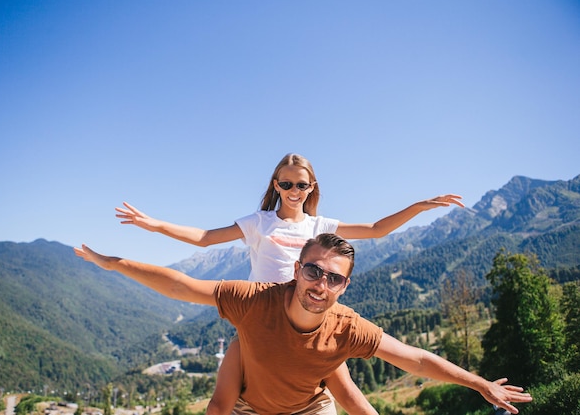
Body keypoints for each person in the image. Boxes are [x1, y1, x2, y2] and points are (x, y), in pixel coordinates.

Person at [115, 153, 465, 415]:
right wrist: (155, 225)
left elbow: (375, 230)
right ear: (275, 185)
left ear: (311, 187)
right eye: (286, 184)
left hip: (310, 317)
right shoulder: (259, 223)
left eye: (301, 184)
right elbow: (206, 238)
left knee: (349, 394)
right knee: (224, 401)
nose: (293, 191)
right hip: (261, 319)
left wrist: (418, 206)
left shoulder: (320, 226)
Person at [73, 233, 532, 415]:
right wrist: (113, 263)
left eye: (334, 278)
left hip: (310, 411)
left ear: (343, 288)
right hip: (250, 410)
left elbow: (413, 357)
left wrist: (479, 384)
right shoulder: (253, 302)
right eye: (313, 271)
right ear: (296, 270)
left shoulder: (348, 327)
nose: (320, 284)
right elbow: (181, 285)